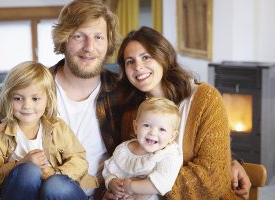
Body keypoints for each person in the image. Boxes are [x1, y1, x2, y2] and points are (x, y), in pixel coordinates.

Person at [105, 26, 250, 199]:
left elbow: (212, 177)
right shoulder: (132, 114)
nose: (138, 66)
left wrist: (143, 188)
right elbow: (127, 167)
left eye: (146, 57)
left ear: (163, 57)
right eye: (130, 61)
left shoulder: (205, 99)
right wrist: (116, 188)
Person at [0, 61, 97, 200]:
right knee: (28, 170)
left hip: (56, 191)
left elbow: (79, 161)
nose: (27, 106)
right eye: (18, 98)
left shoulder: (58, 127)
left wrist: (53, 173)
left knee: (55, 185)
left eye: (35, 98)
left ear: (48, 99)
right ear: (8, 99)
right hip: (19, 194)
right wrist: (20, 163)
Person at [49, 0, 122, 198]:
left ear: (108, 43)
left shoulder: (123, 92)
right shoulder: (34, 87)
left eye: (99, 37)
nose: (89, 48)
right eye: (79, 36)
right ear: (64, 39)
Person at [102, 97, 182, 200]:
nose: (153, 132)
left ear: (172, 136)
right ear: (136, 127)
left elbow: (163, 183)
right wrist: (111, 182)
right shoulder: (123, 150)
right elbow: (109, 170)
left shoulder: (168, 155)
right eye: (147, 125)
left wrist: (131, 187)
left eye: (162, 129)